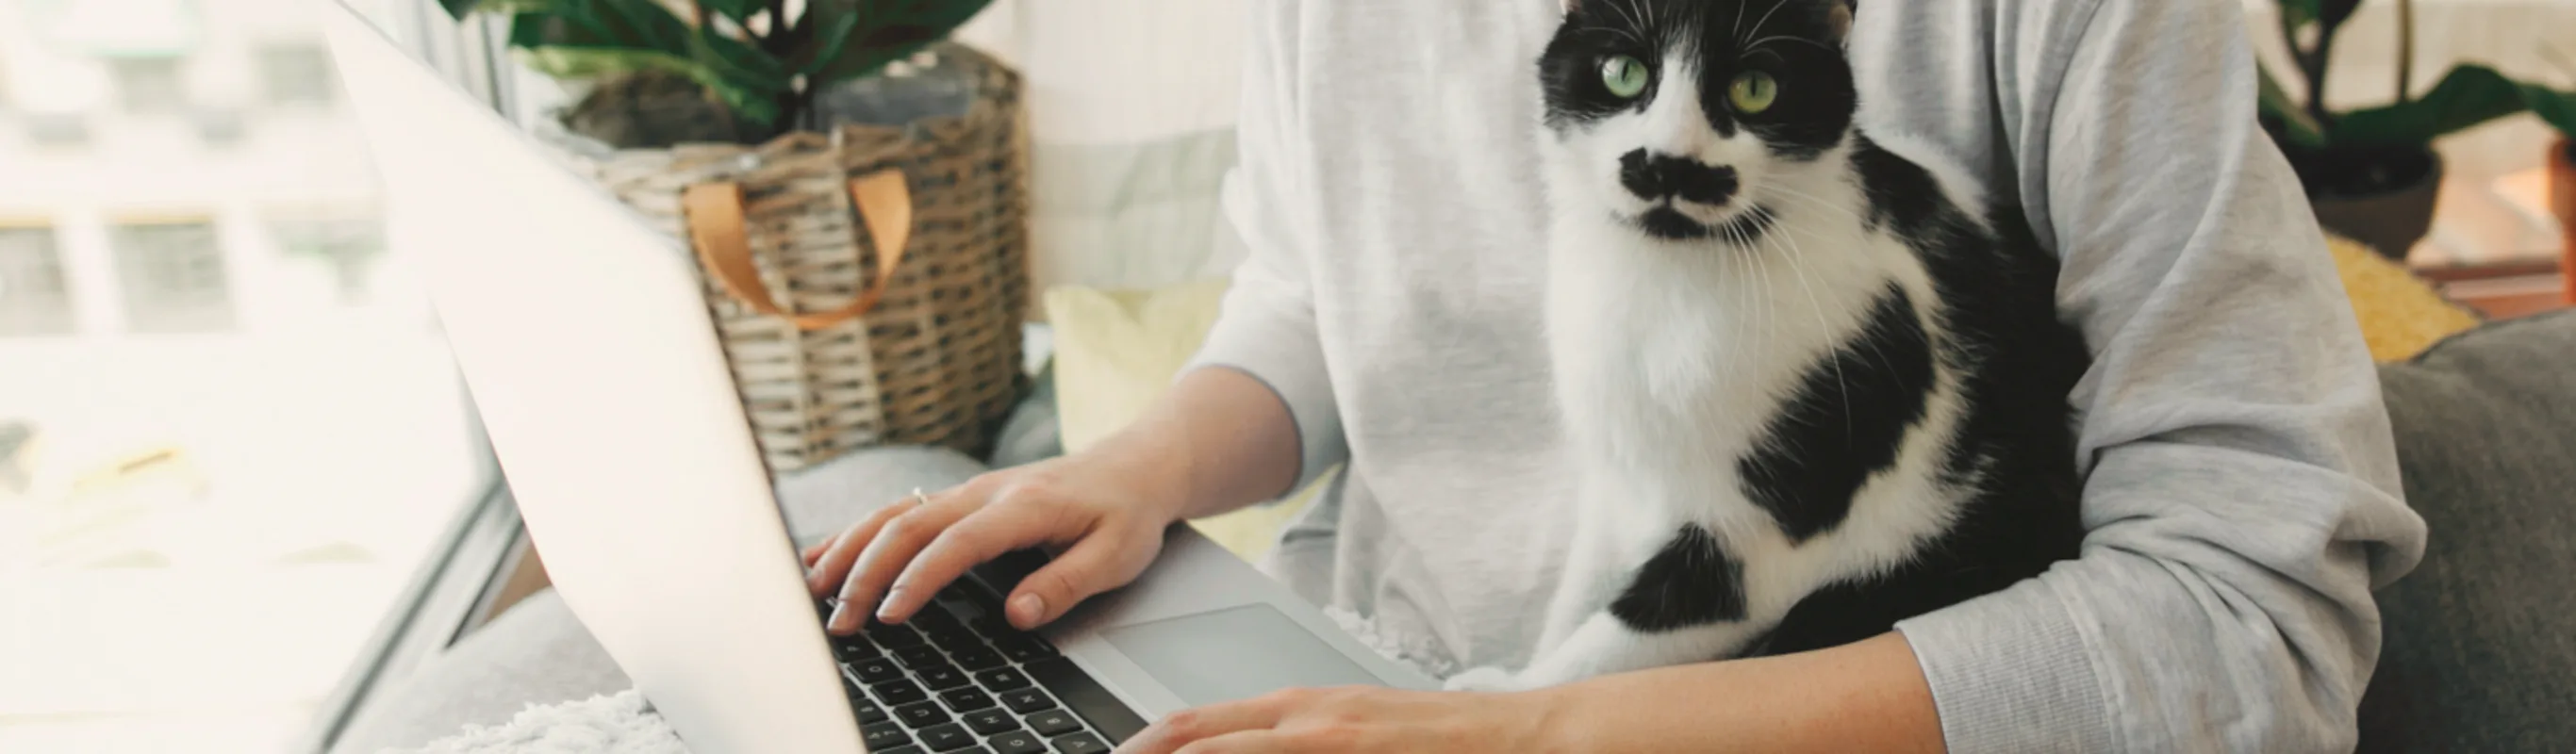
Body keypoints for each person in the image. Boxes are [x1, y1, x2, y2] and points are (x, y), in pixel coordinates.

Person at [802, 1, 2429, 751]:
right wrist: (1142, 466)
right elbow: (1320, 287)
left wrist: (1553, 736)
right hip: (1357, 667)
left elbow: (2253, 625)